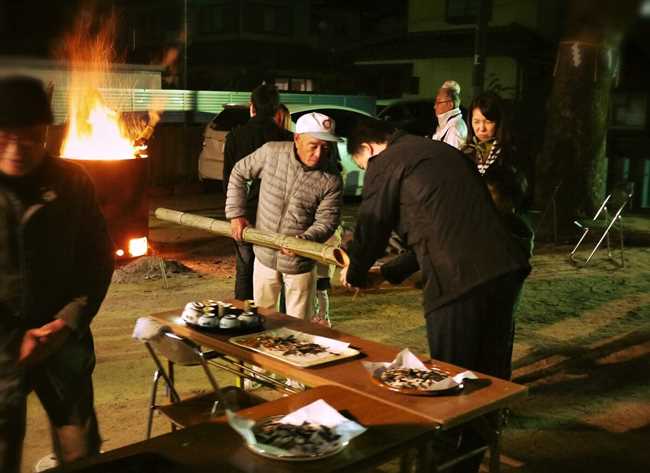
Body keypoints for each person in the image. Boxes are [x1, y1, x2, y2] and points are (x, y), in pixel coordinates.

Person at [340, 118, 530, 472]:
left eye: (362, 166)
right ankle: (473, 457)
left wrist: (354, 270)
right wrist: (389, 273)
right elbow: (441, 228)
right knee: (484, 380)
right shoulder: (439, 152)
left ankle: (445, 461)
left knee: (450, 382)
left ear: (367, 149)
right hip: (504, 270)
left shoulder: (388, 160)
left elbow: (373, 222)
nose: (368, 173)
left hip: (459, 282)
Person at [0, 76, 114, 473]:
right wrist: (13, 338)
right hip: (2, 351)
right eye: (4, 136)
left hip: (63, 343)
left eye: (29, 136)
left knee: (81, 451)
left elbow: (96, 260)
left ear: (45, 133)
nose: (16, 148)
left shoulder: (71, 183)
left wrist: (67, 323)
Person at [226, 112, 343, 319]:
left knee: (300, 326)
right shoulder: (272, 153)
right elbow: (239, 172)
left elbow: (327, 220)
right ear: (297, 138)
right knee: (262, 318)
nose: (318, 154)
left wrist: (305, 240)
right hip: (264, 253)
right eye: (313, 145)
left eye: (325, 147)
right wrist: (237, 214)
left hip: (300, 261)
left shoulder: (331, 179)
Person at [222, 84, 293, 301]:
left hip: (244, 214)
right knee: (277, 271)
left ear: (251, 107)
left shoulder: (236, 136)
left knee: (245, 268)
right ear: (277, 110)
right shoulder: (287, 138)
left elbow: (229, 178)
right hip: (278, 215)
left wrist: (236, 213)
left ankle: (243, 315)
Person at [462, 91, 534, 257]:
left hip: (504, 230)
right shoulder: (467, 152)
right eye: (476, 121)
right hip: (472, 231)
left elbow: (521, 195)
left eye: (488, 121)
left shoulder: (512, 153)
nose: (481, 128)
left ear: (500, 122)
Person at [431, 80, 467, 149]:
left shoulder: (454, 129)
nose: (435, 106)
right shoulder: (447, 124)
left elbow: (452, 158)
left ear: (450, 104)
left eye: (438, 102)